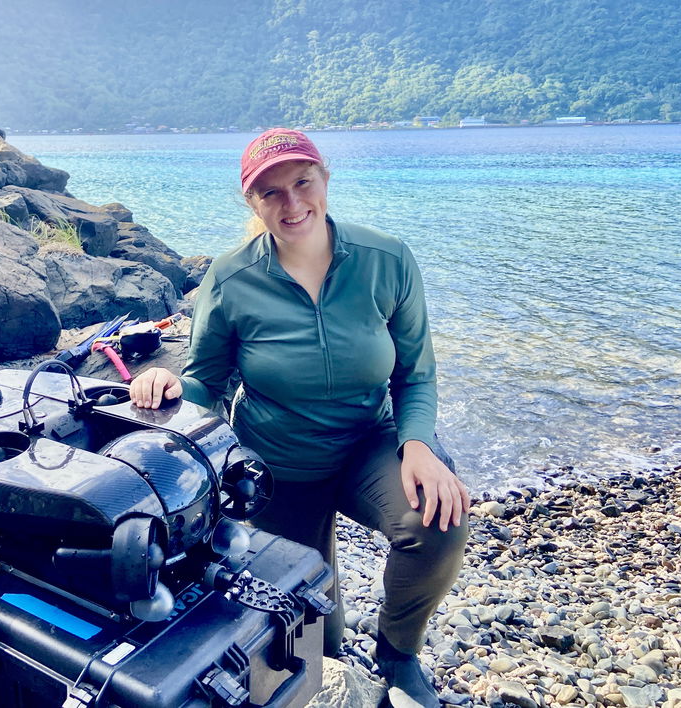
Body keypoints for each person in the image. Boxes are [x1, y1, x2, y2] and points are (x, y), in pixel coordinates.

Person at [129, 128, 471, 708]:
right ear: (252, 203)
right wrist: (165, 387)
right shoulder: (232, 278)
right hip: (277, 462)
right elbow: (207, 381)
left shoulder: (386, 260)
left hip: (371, 442)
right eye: (271, 193)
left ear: (325, 179)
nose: (292, 204)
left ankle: (397, 652)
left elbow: (415, 373)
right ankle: (338, 650)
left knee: (439, 521)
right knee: (311, 630)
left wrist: (418, 445)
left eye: (302, 182)